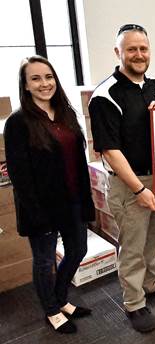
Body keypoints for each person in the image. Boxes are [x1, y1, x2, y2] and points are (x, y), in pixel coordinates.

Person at [88, 24, 155, 333]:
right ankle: (134, 303)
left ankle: (152, 284)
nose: (139, 54)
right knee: (132, 246)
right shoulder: (106, 95)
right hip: (130, 185)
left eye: (143, 48)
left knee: (154, 238)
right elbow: (111, 152)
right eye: (132, 49)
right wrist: (140, 188)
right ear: (118, 53)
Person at [4, 56, 95, 333]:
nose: (44, 83)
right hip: (41, 207)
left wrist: (86, 198)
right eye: (36, 78)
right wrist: (36, 213)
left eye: (48, 77)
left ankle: (60, 298)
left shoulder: (66, 113)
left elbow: (78, 160)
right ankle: (52, 310)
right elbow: (20, 176)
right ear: (26, 85)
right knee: (44, 261)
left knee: (78, 249)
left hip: (73, 200)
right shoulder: (18, 122)